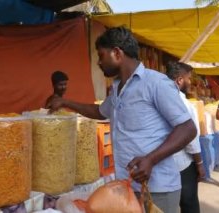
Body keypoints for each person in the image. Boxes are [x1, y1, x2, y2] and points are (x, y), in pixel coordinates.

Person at [46, 26, 197, 213]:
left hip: (157, 189)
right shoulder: (118, 88)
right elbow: (100, 111)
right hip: (127, 186)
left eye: (101, 56)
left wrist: (150, 159)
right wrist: (65, 102)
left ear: (117, 53)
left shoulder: (156, 83)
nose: (99, 63)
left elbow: (188, 128)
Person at [166, 62, 205, 213]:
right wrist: (200, 163)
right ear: (179, 80)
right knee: (189, 204)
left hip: (161, 163)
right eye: (189, 78)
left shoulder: (156, 97)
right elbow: (191, 139)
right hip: (182, 164)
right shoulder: (185, 104)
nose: (190, 82)